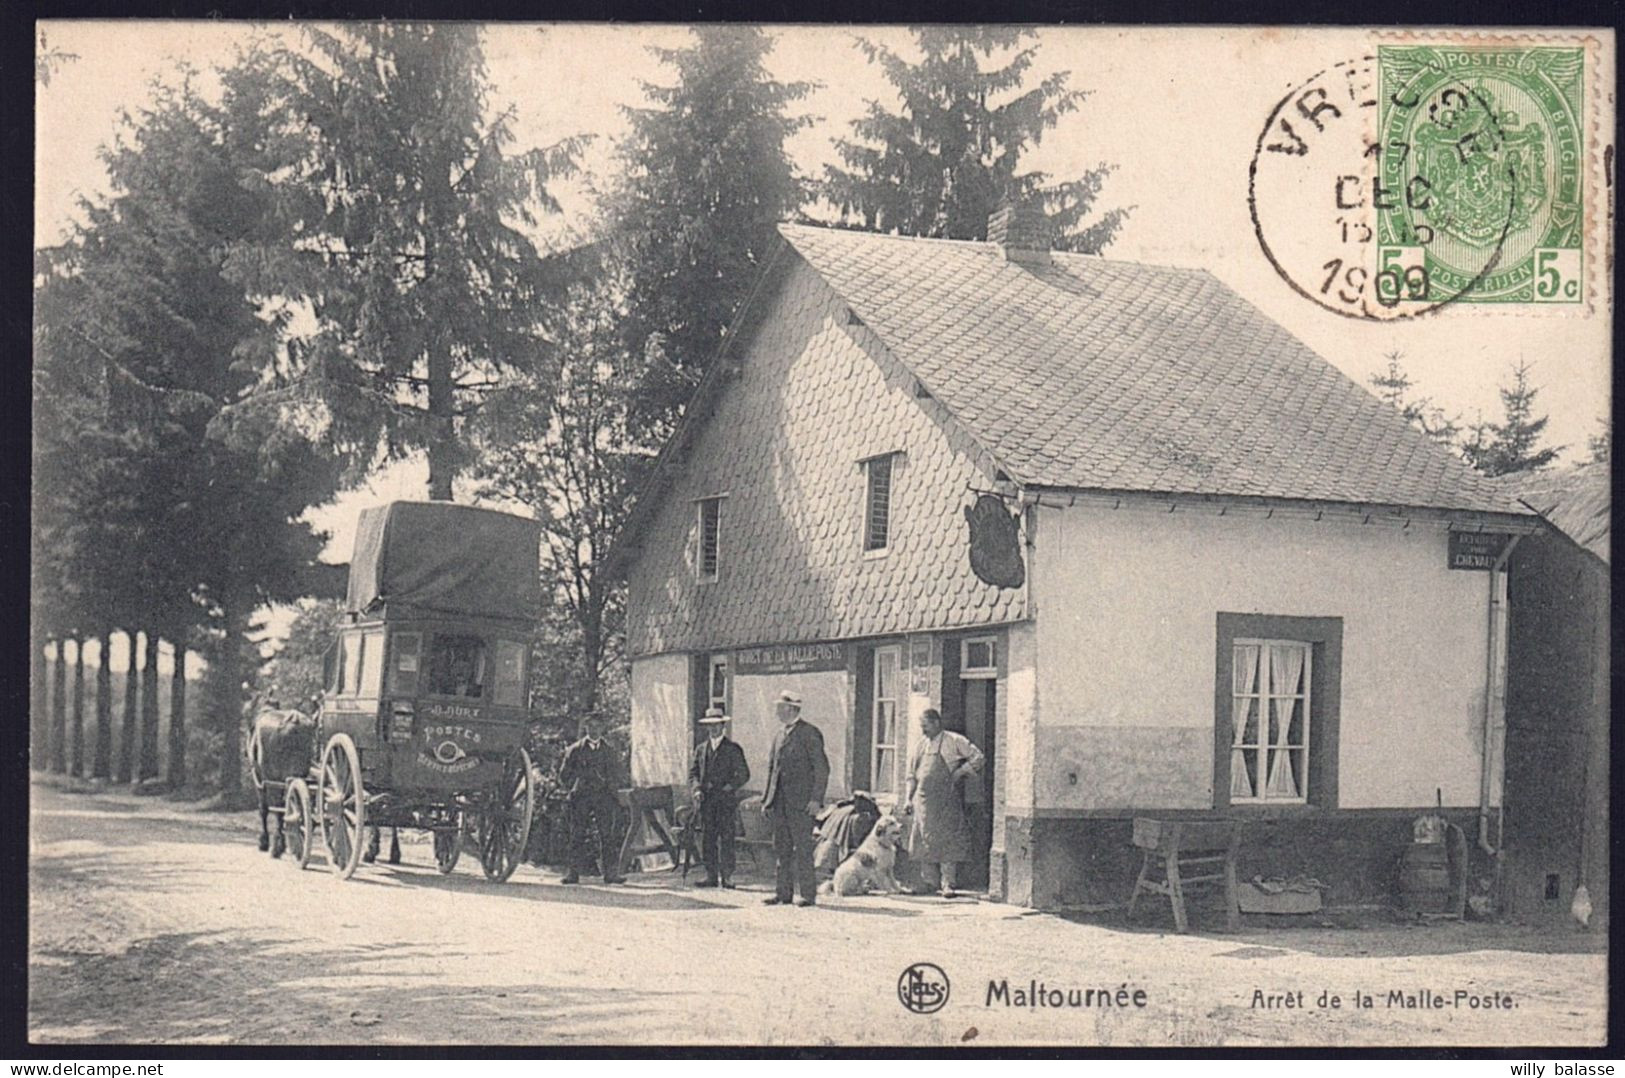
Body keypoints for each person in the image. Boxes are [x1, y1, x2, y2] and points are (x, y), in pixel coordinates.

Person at [903, 707, 984, 898]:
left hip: (946, 800)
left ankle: (948, 883)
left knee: (948, 840)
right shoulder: (920, 745)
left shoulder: (954, 740)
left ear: (937, 723)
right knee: (924, 840)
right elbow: (911, 775)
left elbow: (978, 757)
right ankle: (929, 882)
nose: (923, 731)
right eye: (921, 726)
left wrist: (961, 771)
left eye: (926, 726)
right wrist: (908, 799)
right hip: (923, 802)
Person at [760, 689, 829, 907]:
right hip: (780, 802)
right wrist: (767, 800)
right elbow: (773, 769)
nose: (776, 711)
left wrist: (816, 799)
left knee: (802, 849)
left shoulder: (809, 733)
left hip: (801, 804)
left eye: (780, 707)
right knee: (781, 848)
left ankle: (808, 894)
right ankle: (783, 893)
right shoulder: (779, 735)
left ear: (791, 709)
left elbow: (822, 769)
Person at [559, 712, 625, 885]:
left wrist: (610, 788)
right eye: (591, 726)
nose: (594, 730)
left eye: (598, 726)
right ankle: (572, 874)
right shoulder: (575, 750)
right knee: (577, 834)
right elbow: (564, 774)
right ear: (586, 728)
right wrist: (575, 786)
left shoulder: (609, 751)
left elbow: (618, 774)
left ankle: (611, 874)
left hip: (603, 797)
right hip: (581, 797)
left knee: (607, 835)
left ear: (602, 728)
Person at [689, 706, 750, 888]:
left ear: (723, 726)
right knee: (708, 838)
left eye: (716, 725)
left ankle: (728, 876)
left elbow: (744, 774)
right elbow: (693, 774)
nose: (713, 729)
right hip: (706, 801)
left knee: (727, 838)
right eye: (710, 725)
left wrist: (730, 786)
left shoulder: (733, 749)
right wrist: (697, 789)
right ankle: (711, 875)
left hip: (725, 801)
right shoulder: (700, 749)